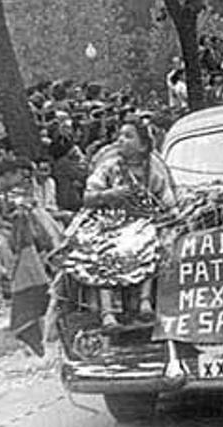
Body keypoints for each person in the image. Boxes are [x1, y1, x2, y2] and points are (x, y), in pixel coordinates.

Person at [70, 121, 176, 329]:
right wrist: (110, 195)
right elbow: (88, 197)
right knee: (102, 251)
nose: (120, 140)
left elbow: (168, 203)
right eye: (120, 136)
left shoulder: (153, 171)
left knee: (156, 243)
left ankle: (145, 303)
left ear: (143, 145)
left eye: (128, 136)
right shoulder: (108, 168)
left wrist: (164, 217)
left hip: (143, 225)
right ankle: (107, 313)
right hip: (111, 225)